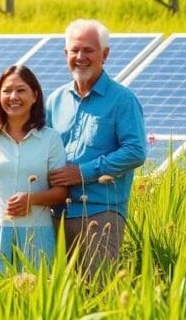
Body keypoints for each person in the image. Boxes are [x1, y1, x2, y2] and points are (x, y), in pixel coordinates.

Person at [46, 19, 146, 279]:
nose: (80, 57)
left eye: (88, 50)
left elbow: (135, 151)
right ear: (65, 54)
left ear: (105, 54)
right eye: (74, 50)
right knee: (58, 297)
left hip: (101, 214)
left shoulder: (123, 99)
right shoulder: (55, 100)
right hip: (54, 214)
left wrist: (83, 172)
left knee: (96, 293)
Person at [0, 65, 67, 299]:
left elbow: (61, 192)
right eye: (7, 91)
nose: (13, 97)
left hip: (38, 234)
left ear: (34, 95)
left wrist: (33, 199)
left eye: (21, 90)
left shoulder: (50, 139)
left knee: (36, 305)